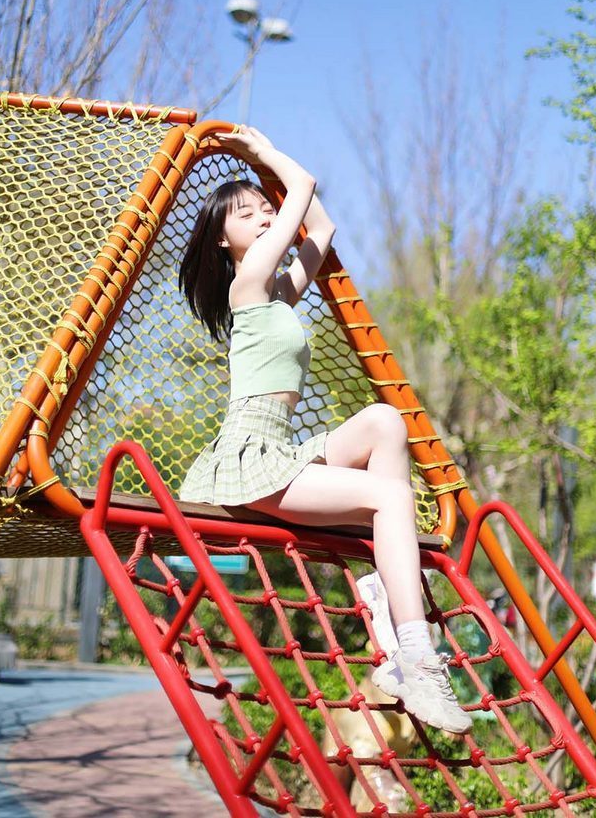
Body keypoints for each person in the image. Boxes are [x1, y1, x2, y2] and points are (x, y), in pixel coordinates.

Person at [178, 124, 472, 735]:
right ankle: (417, 657)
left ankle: (391, 614)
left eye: (266, 209)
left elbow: (323, 227)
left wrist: (276, 179)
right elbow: (304, 186)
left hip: (279, 450)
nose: (264, 217)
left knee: (384, 421)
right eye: (246, 214)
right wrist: (263, 155)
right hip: (250, 460)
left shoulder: (276, 296)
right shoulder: (246, 284)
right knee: (391, 498)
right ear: (222, 240)